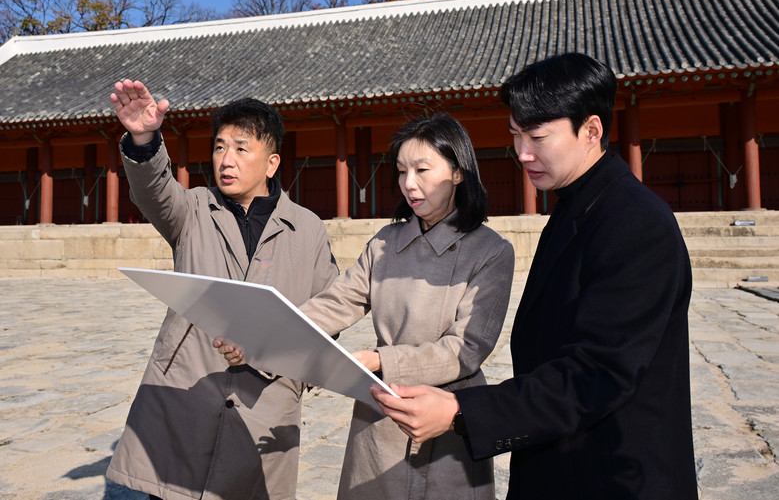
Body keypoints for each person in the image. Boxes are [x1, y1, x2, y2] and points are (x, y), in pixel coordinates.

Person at [371, 53, 698, 499]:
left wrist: (461, 411)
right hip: (561, 460)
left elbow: (597, 373)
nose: (522, 153)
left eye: (538, 137)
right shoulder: (576, 207)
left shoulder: (636, 223)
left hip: (613, 473)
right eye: (516, 135)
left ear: (592, 131)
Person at [218, 112, 515, 500]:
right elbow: (337, 302)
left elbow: (467, 348)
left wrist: (379, 360)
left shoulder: (491, 252)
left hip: (447, 418)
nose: (409, 184)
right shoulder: (384, 243)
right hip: (381, 418)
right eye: (402, 171)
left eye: (422, 170)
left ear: (457, 173)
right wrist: (263, 335)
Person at [105, 80, 339, 500]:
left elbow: (330, 313)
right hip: (186, 392)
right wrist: (144, 140)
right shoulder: (192, 209)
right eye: (219, 147)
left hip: (265, 403)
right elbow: (153, 190)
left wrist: (278, 354)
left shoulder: (307, 229)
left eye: (241, 148)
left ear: (271, 163)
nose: (225, 160)